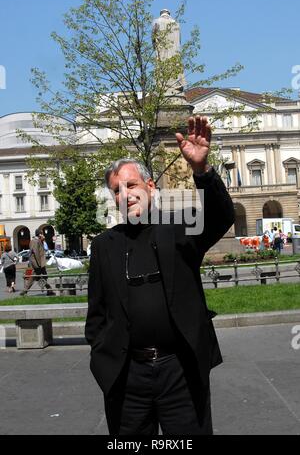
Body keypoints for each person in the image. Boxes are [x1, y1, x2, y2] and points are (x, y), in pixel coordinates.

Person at [85, 116, 235, 435]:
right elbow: (96, 316)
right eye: (116, 190)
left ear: (150, 187)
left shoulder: (180, 227)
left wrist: (201, 169)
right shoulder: (104, 246)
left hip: (180, 373)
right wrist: (105, 361)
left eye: (131, 185)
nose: (125, 195)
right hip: (127, 380)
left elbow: (222, 216)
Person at [20, 229, 55, 296]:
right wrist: (39, 265)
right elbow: (36, 253)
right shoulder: (35, 241)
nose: (43, 235)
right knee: (36, 277)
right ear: (39, 234)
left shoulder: (39, 241)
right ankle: (49, 290)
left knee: (39, 277)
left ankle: (25, 291)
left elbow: (44, 249)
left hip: (40, 263)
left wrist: (43, 240)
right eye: (42, 234)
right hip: (38, 264)